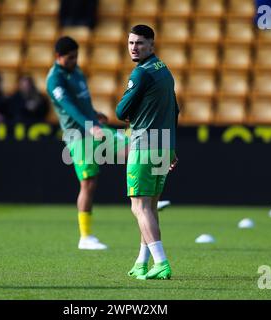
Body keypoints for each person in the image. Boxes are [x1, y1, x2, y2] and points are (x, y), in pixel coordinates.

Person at [46, 36, 129, 250]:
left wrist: (94, 114)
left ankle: (149, 198)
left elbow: (83, 102)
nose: (74, 60)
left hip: (93, 128)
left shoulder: (77, 72)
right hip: (78, 136)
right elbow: (69, 106)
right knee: (88, 183)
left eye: (76, 56)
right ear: (58, 57)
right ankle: (85, 237)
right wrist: (89, 124)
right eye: (70, 57)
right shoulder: (54, 80)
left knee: (133, 148)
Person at [115, 25, 179, 280]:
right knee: (150, 207)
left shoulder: (140, 74)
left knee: (140, 207)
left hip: (144, 144)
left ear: (152, 45)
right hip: (164, 143)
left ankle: (161, 262)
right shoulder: (164, 70)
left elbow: (121, 112)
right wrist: (172, 147)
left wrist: (132, 109)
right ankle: (142, 263)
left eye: (140, 43)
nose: (134, 47)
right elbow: (175, 109)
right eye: (131, 43)